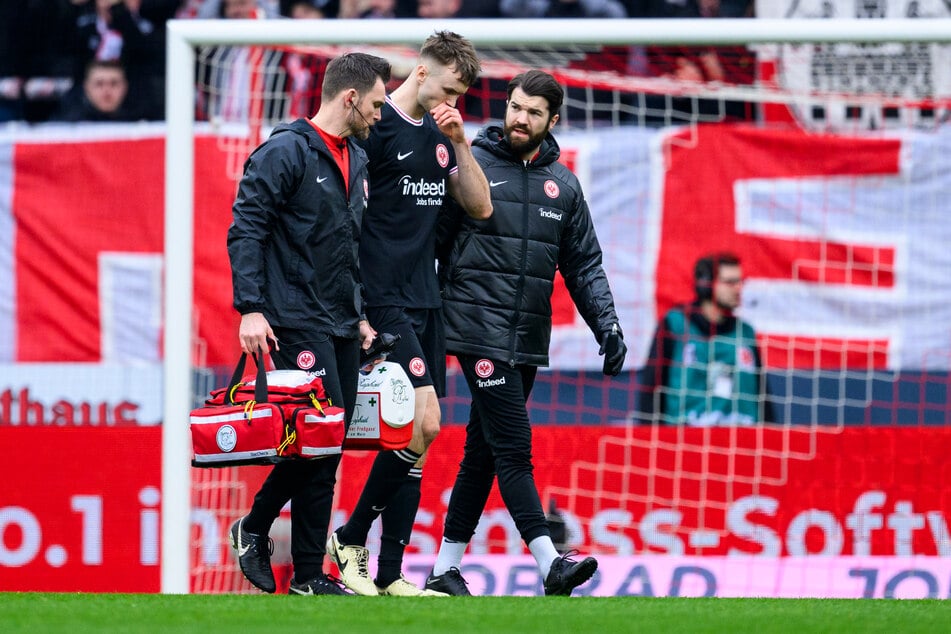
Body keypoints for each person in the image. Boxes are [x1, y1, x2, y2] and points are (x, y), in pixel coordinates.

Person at [427, 70, 627, 596]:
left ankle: (444, 569)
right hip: (475, 328)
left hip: (526, 337)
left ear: (551, 121)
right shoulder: (471, 164)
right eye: (516, 107)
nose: (520, 118)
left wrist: (606, 323)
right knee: (515, 446)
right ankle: (549, 562)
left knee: (484, 452)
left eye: (533, 112)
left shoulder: (565, 186)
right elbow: (431, 244)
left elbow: (584, 266)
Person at [326, 31, 492, 597]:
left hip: (427, 299)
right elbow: (345, 212)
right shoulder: (375, 127)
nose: (454, 101)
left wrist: (461, 143)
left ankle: (392, 572)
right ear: (422, 73)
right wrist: (356, 303)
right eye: (449, 88)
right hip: (383, 298)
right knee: (423, 423)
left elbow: (481, 206)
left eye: (462, 95)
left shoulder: (443, 137)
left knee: (416, 440)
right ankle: (349, 537)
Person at [226, 52, 391, 596]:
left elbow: (347, 247)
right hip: (293, 318)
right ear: (349, 98)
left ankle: (288, 559)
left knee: (328, 443)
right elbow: (246, 228)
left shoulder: (356, 158)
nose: (378, 114)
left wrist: (360, 314)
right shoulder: (285, 151)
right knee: (319, 441)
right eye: (374, 103)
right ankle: (292, 560)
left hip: (339, 320)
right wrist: (250, 306)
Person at [637, 252, 774, 426]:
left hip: (739, 444)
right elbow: (651, 391)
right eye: (730, 282)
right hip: (684, 443)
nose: (739, 288)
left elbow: (764, 400)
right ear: (705, 284)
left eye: (741, 282)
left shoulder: (745, 333)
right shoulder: (675, 324)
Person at [53, 59, 153, 122]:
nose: (107, 91)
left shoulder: (143, 122)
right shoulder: (65, 125)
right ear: (87, 87)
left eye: (114, 83)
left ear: (125, 87)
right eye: (99, 84)